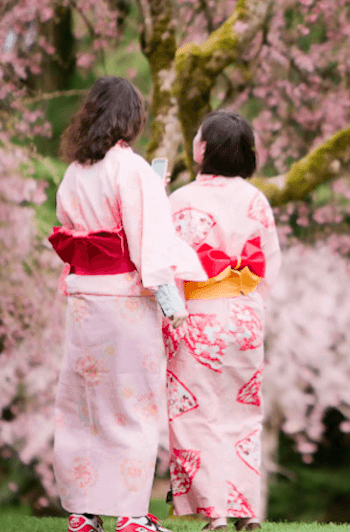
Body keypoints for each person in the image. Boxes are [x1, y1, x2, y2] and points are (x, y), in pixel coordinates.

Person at [49, 76, 208, 532]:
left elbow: (70, 229)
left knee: (85, 405)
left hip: (85, 302)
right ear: (131, 118)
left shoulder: (75, 172)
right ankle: (133, 514)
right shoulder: (134, 169)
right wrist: (172, 302)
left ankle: (82, 511)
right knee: (132, 404)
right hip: (124, 301)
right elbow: (150, 244)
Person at [164, 110, 281, 531]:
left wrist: (170, 318)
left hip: (197, 316)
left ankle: (213, 512)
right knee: (243, 416)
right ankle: (245, 510)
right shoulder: (256, 200)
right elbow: (270, 267)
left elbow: (168, 270)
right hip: (244, 316)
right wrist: (247, 304)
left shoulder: (180, 200)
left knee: (197, 415)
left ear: (202, 150)